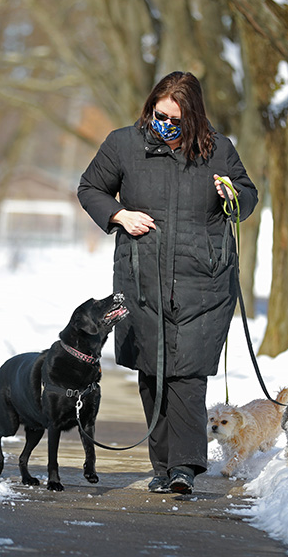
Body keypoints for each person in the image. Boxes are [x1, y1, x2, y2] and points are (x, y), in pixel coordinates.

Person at [77, 71, 258, 494]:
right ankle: (163, 466)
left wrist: (233, 196)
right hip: (142, 277)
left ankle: (185, 467)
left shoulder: (219, 151)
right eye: (160, 116)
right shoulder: (123, 144)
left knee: (188, 374)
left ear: (193, 119)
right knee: (152, 371)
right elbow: (90, 188)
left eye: (176, 120)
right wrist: (119, 214)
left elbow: (247, 197)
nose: (166, 125)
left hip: (206, 281)